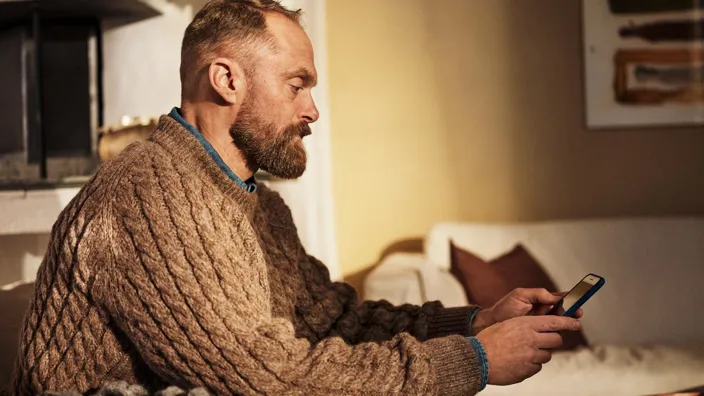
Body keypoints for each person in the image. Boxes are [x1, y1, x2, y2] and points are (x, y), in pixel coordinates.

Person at [10, 1, 582, 395]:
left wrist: (474, 323)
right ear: (227, 80)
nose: (312, 110)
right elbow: (265, 381)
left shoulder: (251, 200)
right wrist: (474, 363)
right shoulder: (151, 197)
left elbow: (333, 320)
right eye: (297, 84)